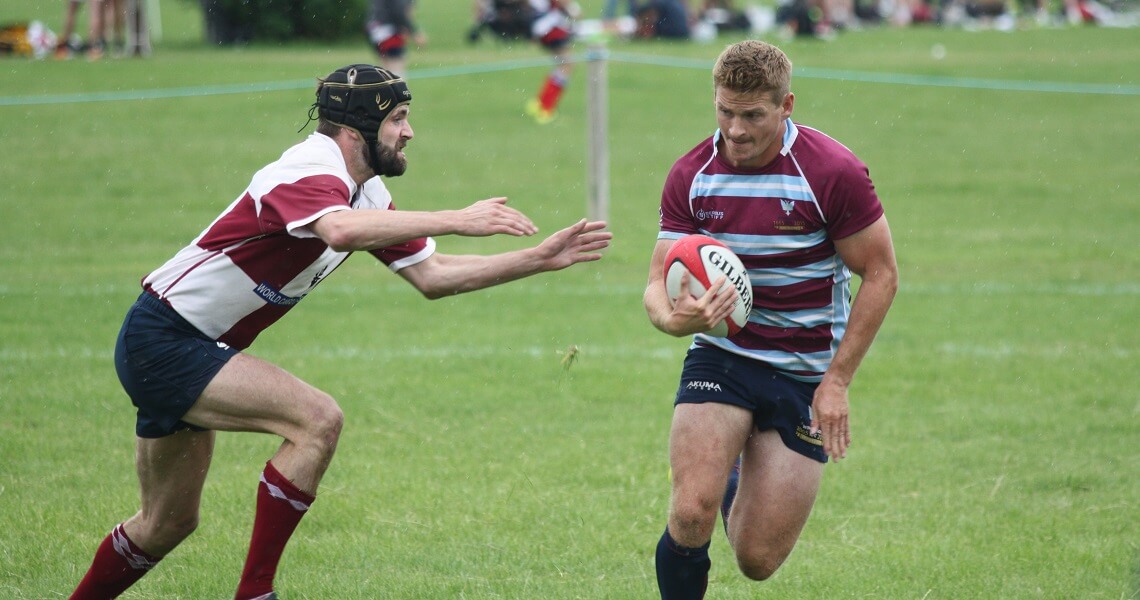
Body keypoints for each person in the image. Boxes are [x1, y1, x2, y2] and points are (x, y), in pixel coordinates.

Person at [68, 64, 612, 600]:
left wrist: (537, 259)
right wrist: (456, 217)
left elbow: (433, 275)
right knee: (317, 421)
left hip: (187, 346)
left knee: (165, 524)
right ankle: (255, 592)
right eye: (398, 118)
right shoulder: (308, 169)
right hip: (164, 341)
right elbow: (340, 230)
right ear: (357, 129)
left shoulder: (365, 192)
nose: (409, 132)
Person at [642, 40, 897, 598]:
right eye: (724, 112)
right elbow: (657, 283)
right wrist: (675, 322)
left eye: (753, 116)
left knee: (757, 559)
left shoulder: (832, 172)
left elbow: (881, 275)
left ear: (786, 106)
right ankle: (719, 468)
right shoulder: (691, 174)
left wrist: (837, 381)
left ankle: (736, 473)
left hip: (805, 371)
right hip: (723, 358)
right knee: (691, 511)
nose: (735, 130)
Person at [522, 0, 579, 124]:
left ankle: (540, 103)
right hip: (550, 27)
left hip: (542, 26)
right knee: (567, 65)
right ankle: (546, 108)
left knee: (562, 65)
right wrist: (574, 10)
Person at [365, 0, 426, 76]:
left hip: (374, 30)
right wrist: (414, 32)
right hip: (389, 32)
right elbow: (399, 11)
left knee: (385, 69)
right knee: (396, 67)